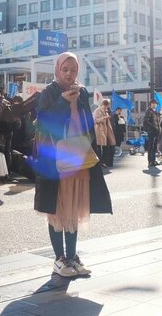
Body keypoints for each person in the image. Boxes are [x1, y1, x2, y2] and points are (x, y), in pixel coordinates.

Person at [35, 52, 112, 277]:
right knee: (56, 210)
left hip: (79, 157)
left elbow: (87, 123)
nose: (69, 74)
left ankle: (72, 257)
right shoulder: (49, 92)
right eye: (65, 70)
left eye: (73, 70)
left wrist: (79, 102)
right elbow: (44, 124)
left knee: (74, 209)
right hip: (55, 161)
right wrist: (63, 101)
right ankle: (59, 259)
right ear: (57, 69)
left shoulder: (83, 91)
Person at [92, 98, 116, 167]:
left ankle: (103, 162)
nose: (105, 107)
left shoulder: (106, 112)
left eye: (107, 106)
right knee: (99, 148)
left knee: (105, 148)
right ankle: (99, 163)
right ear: (101, 104)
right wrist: (104, 118)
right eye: (104, 105)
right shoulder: (97, 110)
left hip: (105, 131)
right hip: (99, 131)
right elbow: (95, 121)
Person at [143, 99, 160, 167]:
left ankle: (153, 160)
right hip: (151, 131)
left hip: (156, 131)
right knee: (151, 147)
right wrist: (154, 127)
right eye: (153, 103)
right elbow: (146, 121)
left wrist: (158, 129)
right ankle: (150, 161)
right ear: (150, 104)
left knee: (154, 147)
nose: (154, 104)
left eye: (155, 103)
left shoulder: (155, 111)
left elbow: (157, 122)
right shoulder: (149, 111)